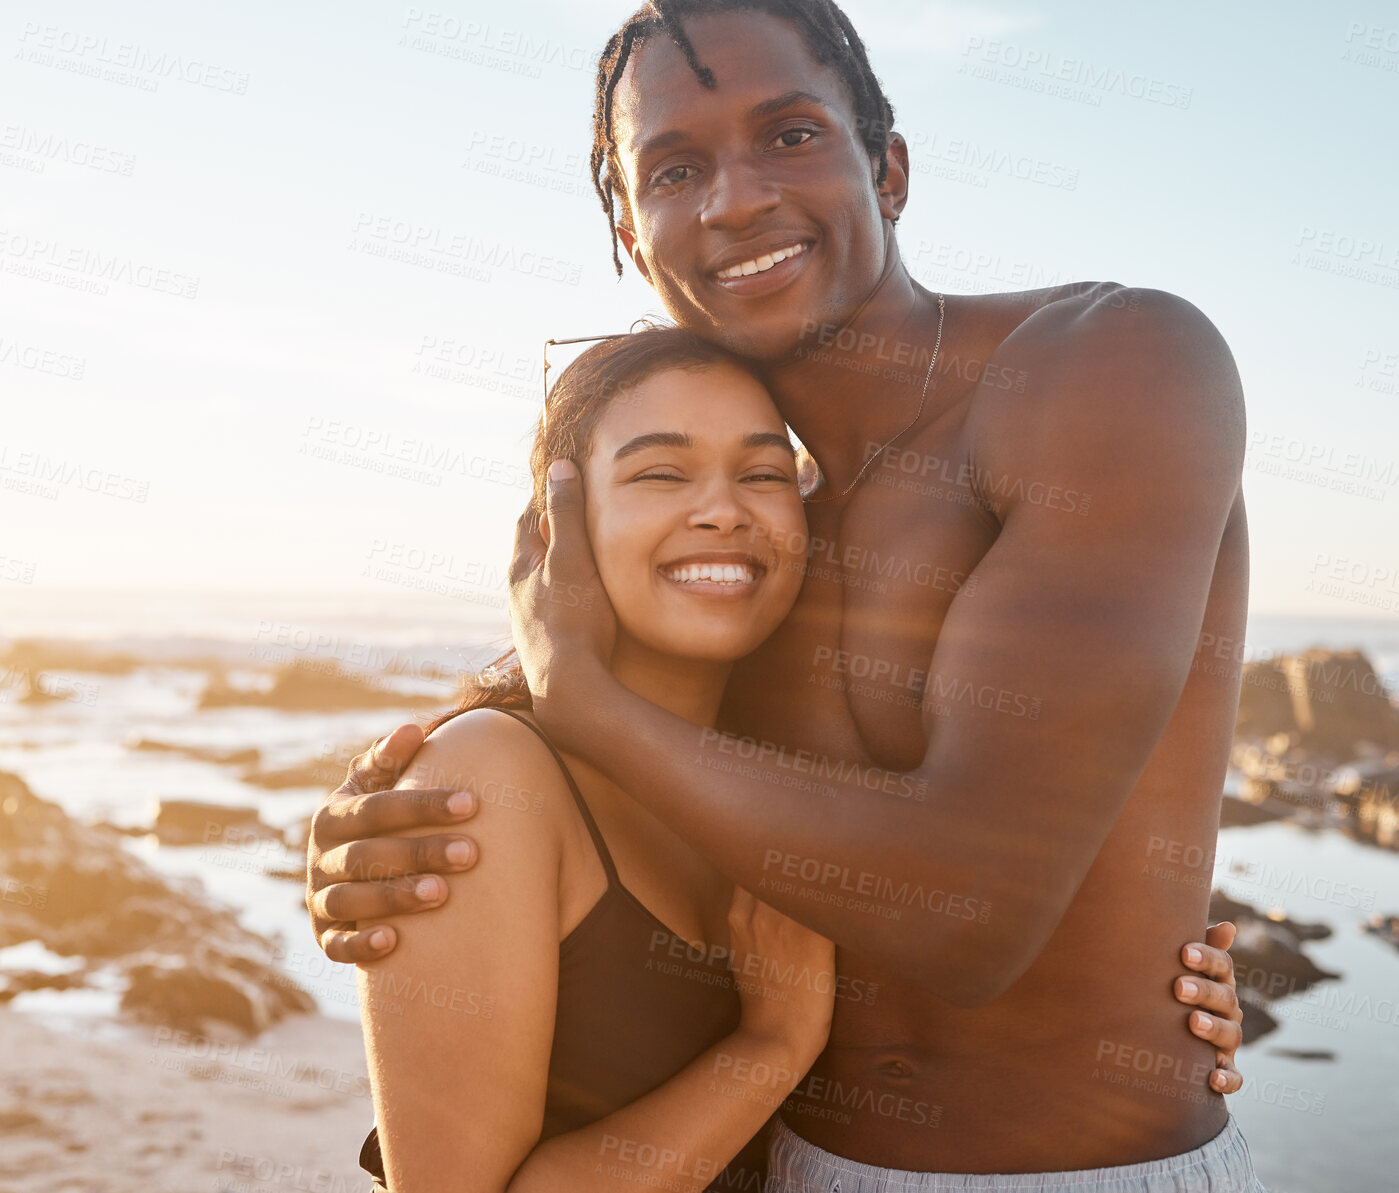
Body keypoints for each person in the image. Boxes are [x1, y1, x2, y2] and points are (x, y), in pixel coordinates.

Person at [311, 1, 1262, 1189]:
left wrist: (588, 706)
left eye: (793, 135)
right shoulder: (762, 547)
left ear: (891, 166)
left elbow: (976, 906)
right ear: (627, 224)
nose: (736, 198)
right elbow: (598, 780)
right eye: (672, 167)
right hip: (785, 1160)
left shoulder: (1108, 367)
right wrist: (388, 830)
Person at [351, 326, 1243, 1192]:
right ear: (554, 524)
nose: (721, 509)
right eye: (661, 472)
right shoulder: (485, 780)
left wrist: (1151, 988)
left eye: (764, 474)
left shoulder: (775, 760)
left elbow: (991, 851)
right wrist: (771, 1046)